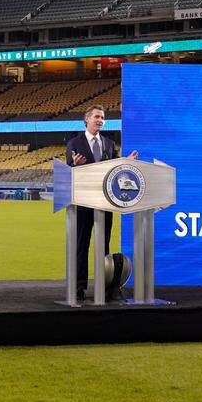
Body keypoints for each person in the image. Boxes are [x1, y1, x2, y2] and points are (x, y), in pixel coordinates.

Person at [65, 104, 137, 302]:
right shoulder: (74, 143)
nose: (100, 120)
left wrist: (126, 161)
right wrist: (74, 165)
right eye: (96, 116)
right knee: (81, 246)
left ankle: (103, 286)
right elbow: (68, 168)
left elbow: (114, 167)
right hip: (83, 203)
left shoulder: (108, 143)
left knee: (103, 246)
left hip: (105, 203)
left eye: (102, 117)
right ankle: (78, 287)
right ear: (87, 119)